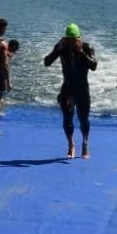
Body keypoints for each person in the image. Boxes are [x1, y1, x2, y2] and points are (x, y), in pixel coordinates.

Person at [44, 23, 97, 158]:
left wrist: (81, 52)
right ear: (65, 39)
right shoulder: (62, 47)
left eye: (74, 40)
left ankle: (85, 143)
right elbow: (47, 62)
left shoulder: (86, 47)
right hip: (67, 87)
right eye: (69, 40)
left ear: (79, 38)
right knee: (67, 117)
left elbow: (94, 66)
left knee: (83, 118)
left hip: (82, 89)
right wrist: (57, 50)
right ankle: (71, 144)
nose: (72, 43)